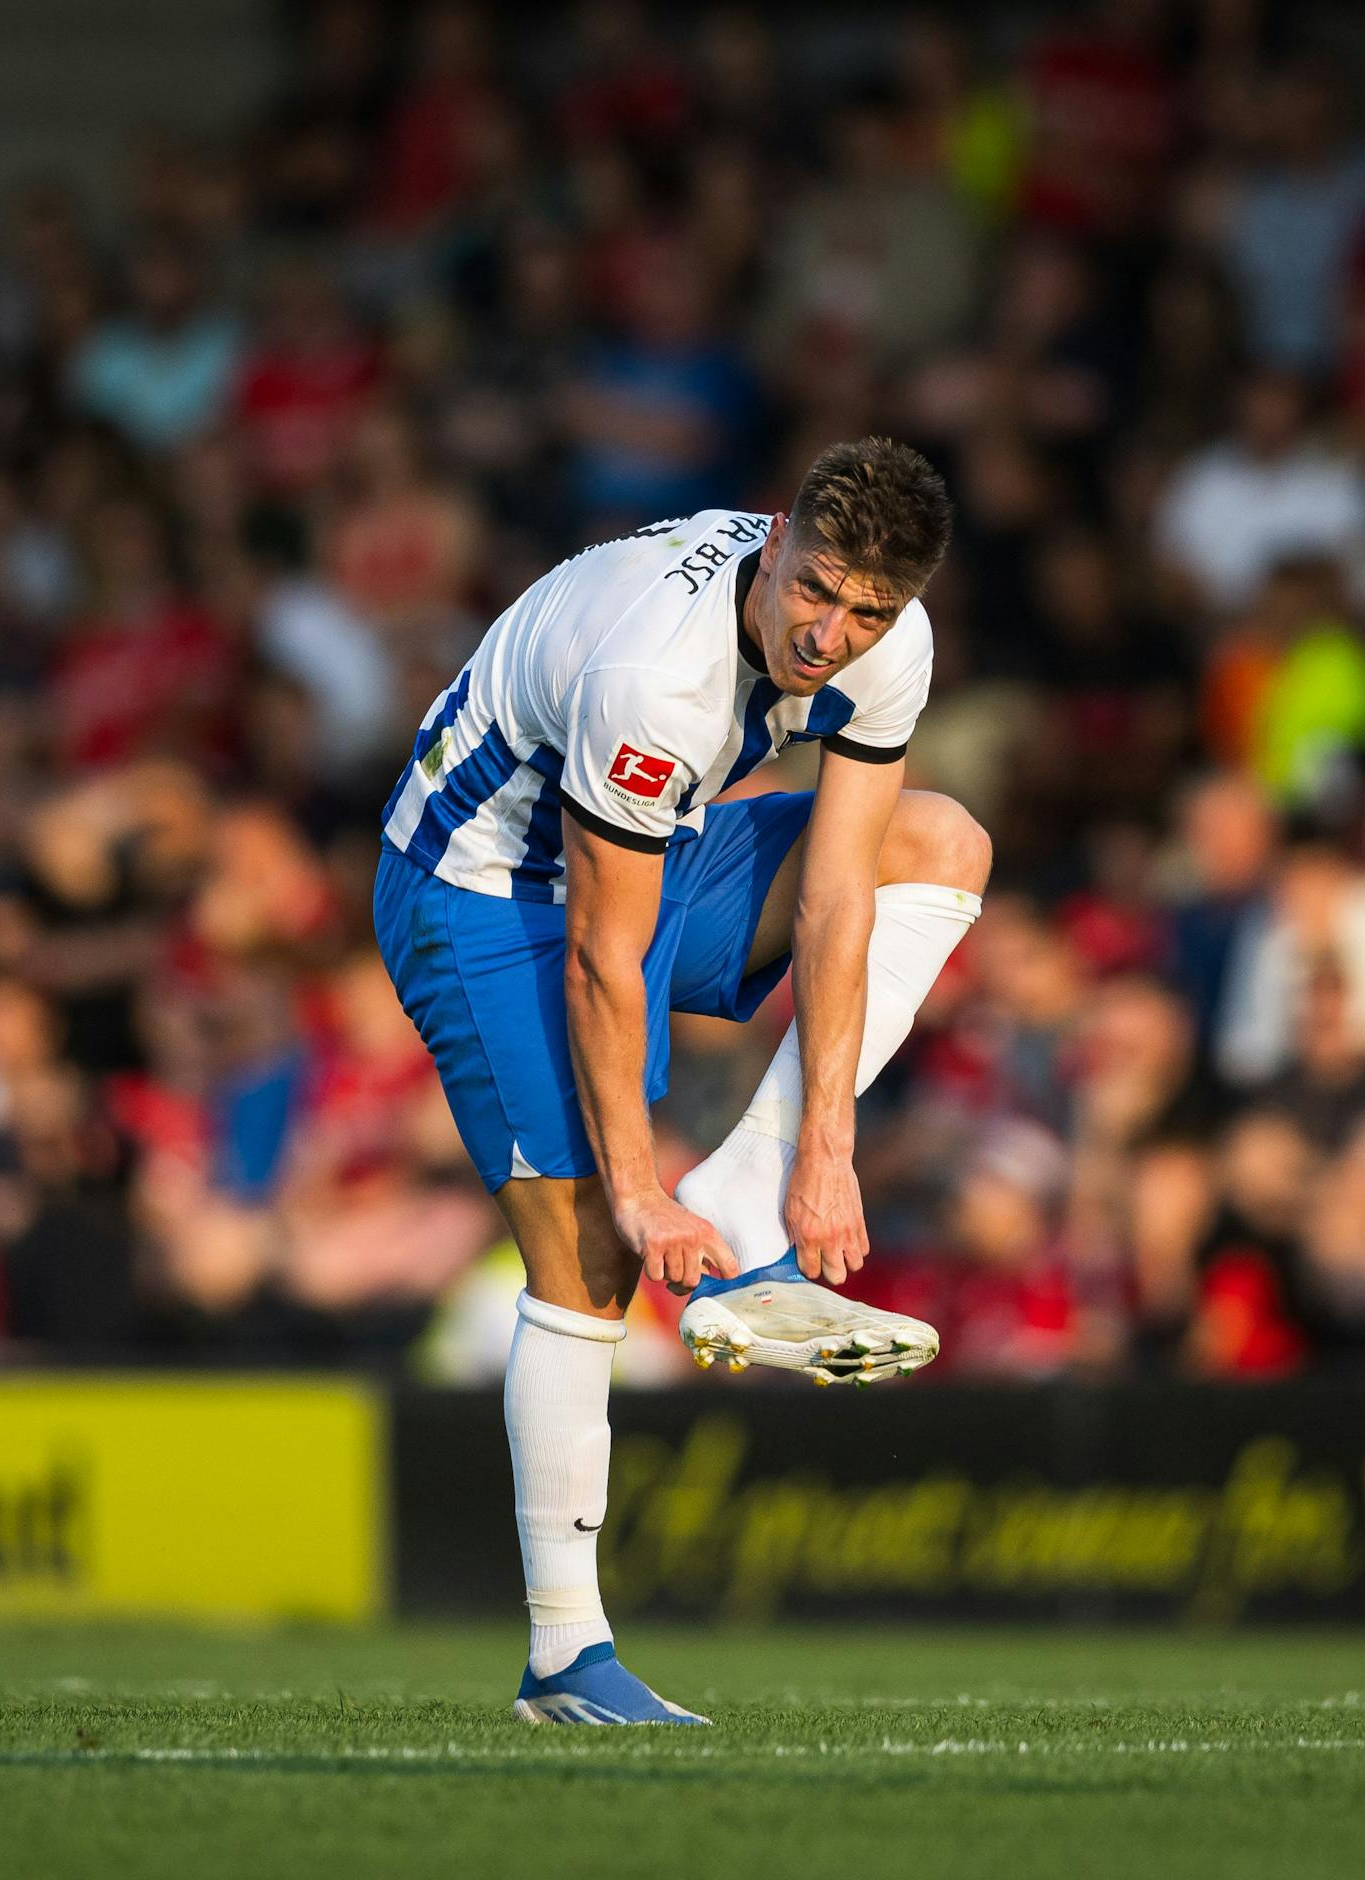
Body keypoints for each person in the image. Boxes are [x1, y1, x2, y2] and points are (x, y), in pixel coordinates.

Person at [372, 438, 989, 1725]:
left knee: (937, 841)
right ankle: (564, 1656)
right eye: (814, 588)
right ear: (774, 543)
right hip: (480, 883)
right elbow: (605, 954)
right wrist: (644, 1188)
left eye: (866, 609)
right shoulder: (658, 673)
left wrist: (823, 1147)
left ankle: (750, 1196)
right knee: (592, 1239)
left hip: (648, 841)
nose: (828, 633)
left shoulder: (891, 647)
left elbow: (834, 892)